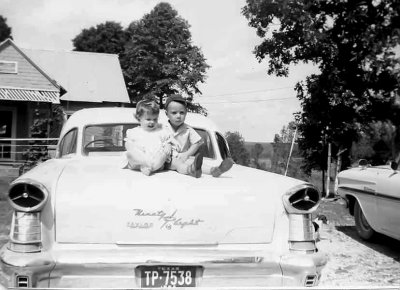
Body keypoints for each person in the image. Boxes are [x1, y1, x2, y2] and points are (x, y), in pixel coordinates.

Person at [164, 94, 234, 178]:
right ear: (167, 114)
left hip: (183, 157)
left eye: (182, 112)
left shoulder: (188, 129)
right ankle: (191, 170)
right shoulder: (162, 129)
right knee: (178, 164)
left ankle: (214, 170)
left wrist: (187, 154)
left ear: (186, 113)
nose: (178, 116)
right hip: (167, 159)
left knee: (193, 161)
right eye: (174, 113)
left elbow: (197, 142)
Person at [124, 99, 174, 176]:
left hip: (156, 162)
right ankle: (144, 165)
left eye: (155, 119)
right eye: (148, 119)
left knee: (164, 154)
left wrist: (168, 145)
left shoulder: (161, 131)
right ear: (139, 118)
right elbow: (128, 144)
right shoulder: (134, 132)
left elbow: (168, 140)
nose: (152, 122)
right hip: (138, 162)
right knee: (131, 154)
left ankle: (150, 168)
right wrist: (130, 147)